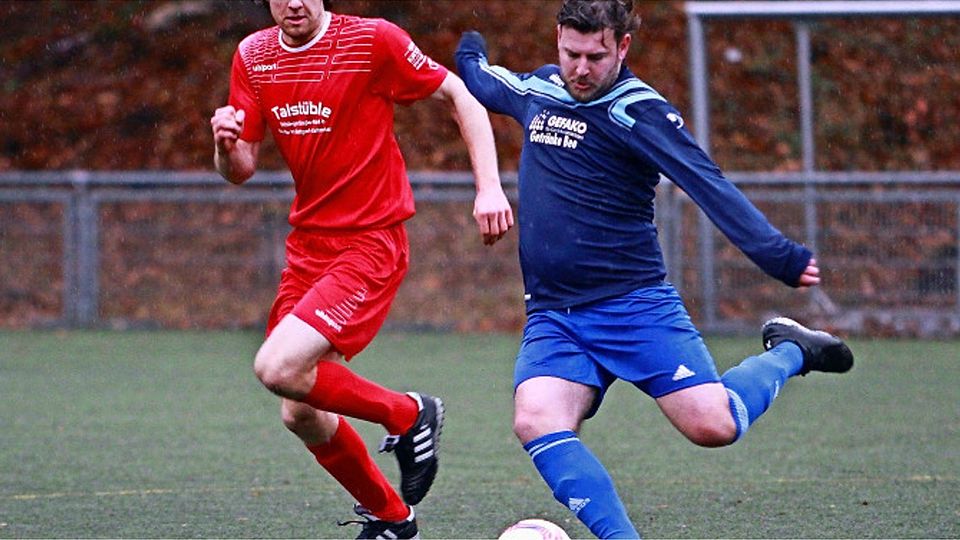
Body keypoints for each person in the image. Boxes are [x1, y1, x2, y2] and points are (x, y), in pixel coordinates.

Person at [455, 1, 853, 538]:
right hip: (555, 314)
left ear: (622, 47)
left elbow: (707, 184)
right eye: (571, 53)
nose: (580, 69)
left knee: (714, 426)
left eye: (596, 56)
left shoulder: (639, 112)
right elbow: (484, 83)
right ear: (557, 41)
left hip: (633, 305)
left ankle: (791, 350)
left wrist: (776, 254)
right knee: (536, 418)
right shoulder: (541, 91)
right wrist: (470, 48)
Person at [210, 0, 514, 538]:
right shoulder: (254, 56)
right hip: (308, 248)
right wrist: (224, 145)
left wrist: (489, 186)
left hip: (370, 242)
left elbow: (459, 95)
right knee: (298, 409)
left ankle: (407, 413)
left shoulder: (372, 41)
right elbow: (241, 170)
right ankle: (392, 518)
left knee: (278, 368)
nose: (294, 3)